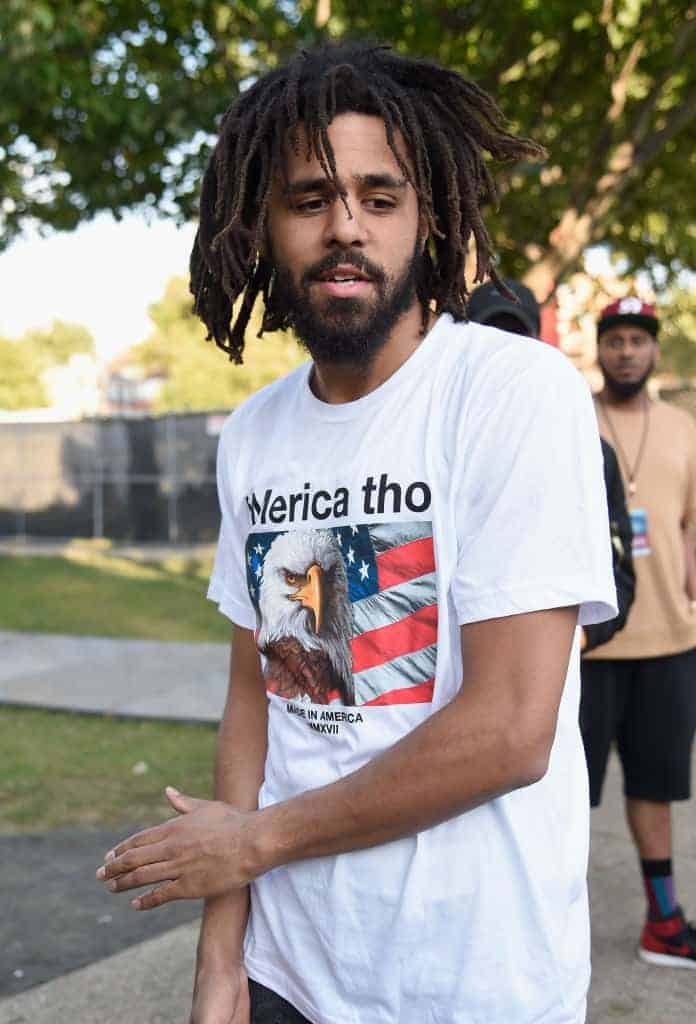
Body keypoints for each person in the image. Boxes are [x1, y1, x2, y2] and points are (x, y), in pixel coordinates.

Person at [97, 42, 616, 1023]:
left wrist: (252, 842)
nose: (346, 227)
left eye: (381, 198)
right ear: (262, 225)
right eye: (309, 199)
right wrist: (222, 957)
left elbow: (511, 730)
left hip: (471, 985)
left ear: (429, 218)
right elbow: (263, 694)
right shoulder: (255, 433)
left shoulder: (512, 394)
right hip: (289, 971)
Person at [581, 296, 696, 968]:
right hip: (588, 647)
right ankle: (543, 916)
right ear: (600, 349)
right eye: (615, 339)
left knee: (656, 785)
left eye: (637, 340)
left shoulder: (682, 427)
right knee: (563, 794)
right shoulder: (571, 420)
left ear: (654, 349)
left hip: (669, 642)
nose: (626, 351)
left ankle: (663, 921)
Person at [468, 280, 635, 654]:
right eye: (489, 334)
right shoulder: (436, 442)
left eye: (516, 336)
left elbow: (619, 570)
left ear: (538, 343)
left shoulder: (589, 450)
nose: (503, 349)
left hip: (549, 676)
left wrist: (578, 638)